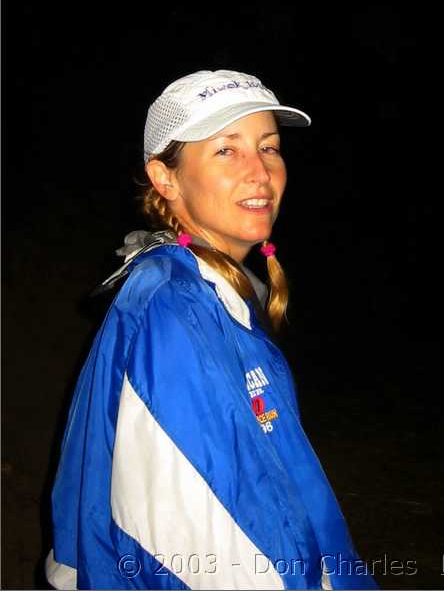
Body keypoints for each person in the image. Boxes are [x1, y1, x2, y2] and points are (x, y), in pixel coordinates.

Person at [45, 69, 380, 590]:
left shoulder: (210, 291)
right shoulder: (174, 312)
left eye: (268, 147)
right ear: (166, 179)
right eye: (227, 150)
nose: (260, 172)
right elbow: (224, 549)